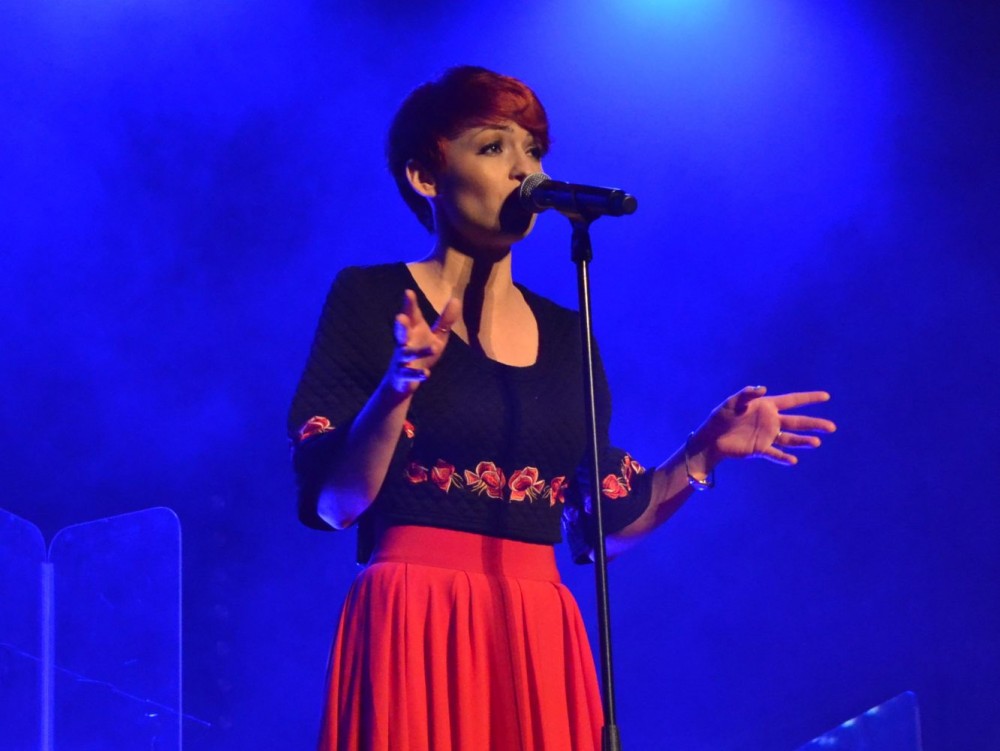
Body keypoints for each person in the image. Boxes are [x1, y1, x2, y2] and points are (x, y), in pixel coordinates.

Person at [288, 65, 836, 751]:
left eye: (534, 150)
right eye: (493, 147)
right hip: (415, 616)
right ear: (425, 176)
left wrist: (704, 452)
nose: (525, 169)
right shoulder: (372, 299)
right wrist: (399, 386)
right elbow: (336, 503)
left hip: (535, 628)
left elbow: (603, 525)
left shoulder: (569, 335)